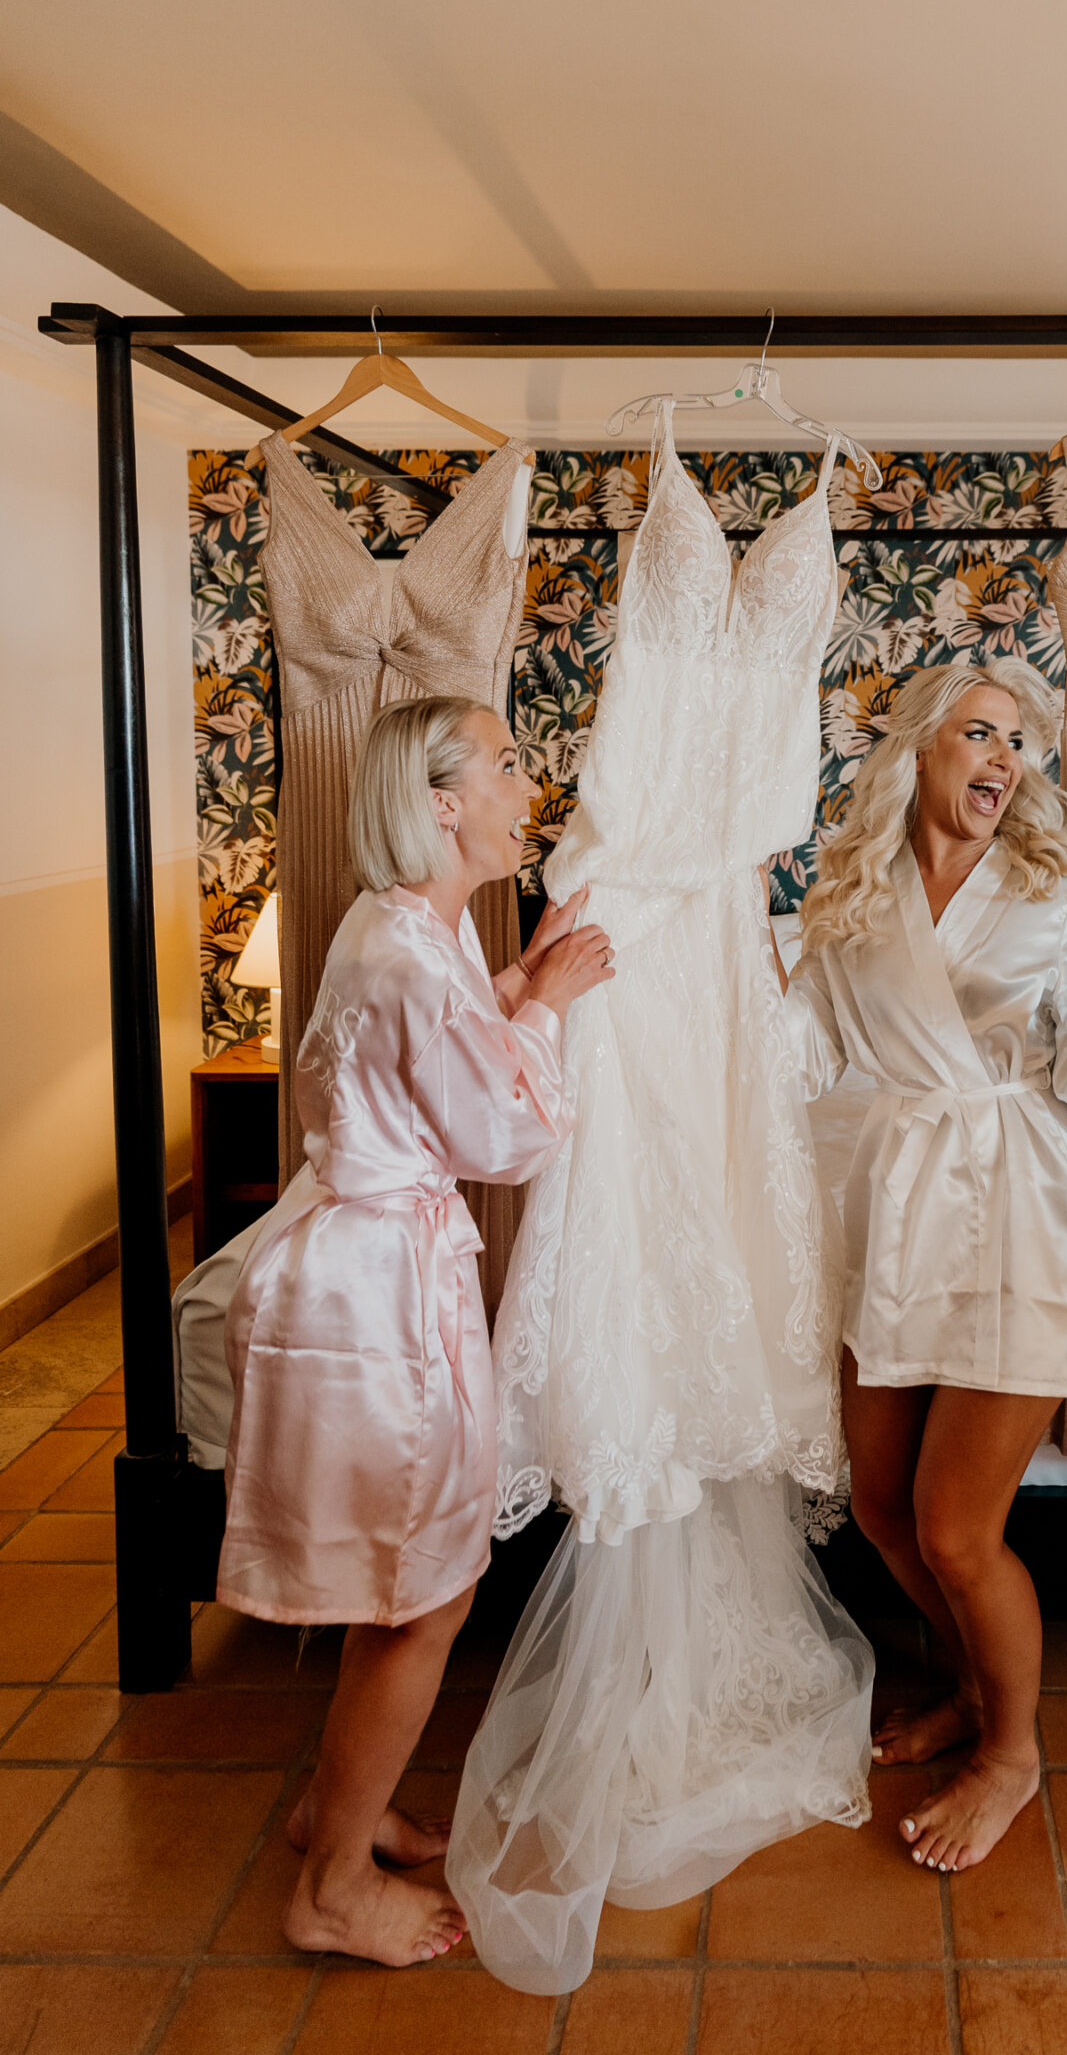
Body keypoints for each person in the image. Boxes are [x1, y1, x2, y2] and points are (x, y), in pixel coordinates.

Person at [218, 696, 613, 1965]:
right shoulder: (402, 949)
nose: (524, 780)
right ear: (441, 801)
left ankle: (339, 1811)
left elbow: (430, 1041)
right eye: (505, 764)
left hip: (361, 1270)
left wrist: (516, 975)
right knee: (424, 1599)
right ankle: (329, 1886)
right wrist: (545, 1005)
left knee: (398, 1577)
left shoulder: (405, 928)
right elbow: (503, 1132)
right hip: (378, 1295)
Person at [780, 659, 1067, 1873]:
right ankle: (968, 1682)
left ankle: (1012, 1749)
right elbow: (799, 1043)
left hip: (1021, 1215)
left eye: (1020, 739)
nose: (1007, 757)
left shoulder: (1059, 893)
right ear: (917, 750)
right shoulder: (851, 894)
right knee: (883, 1506)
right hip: (900, 1218)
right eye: (980, 732)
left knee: (958, 1529)